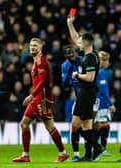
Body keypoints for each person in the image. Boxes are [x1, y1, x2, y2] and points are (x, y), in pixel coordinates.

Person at [12, 38, 69, 163]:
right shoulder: (36, 60)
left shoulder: (41, 61)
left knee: (49, 126)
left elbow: (43, 82)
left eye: (35, 46)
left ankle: (63, 153)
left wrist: (31, 95)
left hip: (42, 99)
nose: (32, 48)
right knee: (24, 124)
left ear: (41, 47)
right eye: (31, 46)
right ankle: (26, 155)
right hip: (38, 98)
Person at [67, 16, 104, 161]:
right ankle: (89, 154)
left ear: (86, 44)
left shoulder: (90, 58)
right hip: (84, 92)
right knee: (77, 124)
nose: (78, 44)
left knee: (84, 124)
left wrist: (77, 74)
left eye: (81, 43)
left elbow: (89, 78)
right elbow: (76, 38)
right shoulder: (89, 54)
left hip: (87, 93)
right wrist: (70, 24)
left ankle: (97, 148)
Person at [61, 45, 83, 161]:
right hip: (79, 98)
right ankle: (77, 154)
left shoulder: (83, 61)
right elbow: (64, 84)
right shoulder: (65, 66)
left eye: (72, 53)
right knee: (76, 126)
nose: (70, 56)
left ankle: (94, 149)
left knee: (88, 126)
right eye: (68, 54)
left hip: (90, 96)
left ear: (76, 53)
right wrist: (69, 72)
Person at [93, 51, 116, 155]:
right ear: (101, 60)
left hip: (100, 101)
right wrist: (110, 103)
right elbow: (102, 90)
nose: (108, 63)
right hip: (101, 102)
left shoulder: (101, 71)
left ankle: (99, 148)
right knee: (102, 124)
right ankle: (98, 148)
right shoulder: (99, 72)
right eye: (106, 60)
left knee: (101, 124)